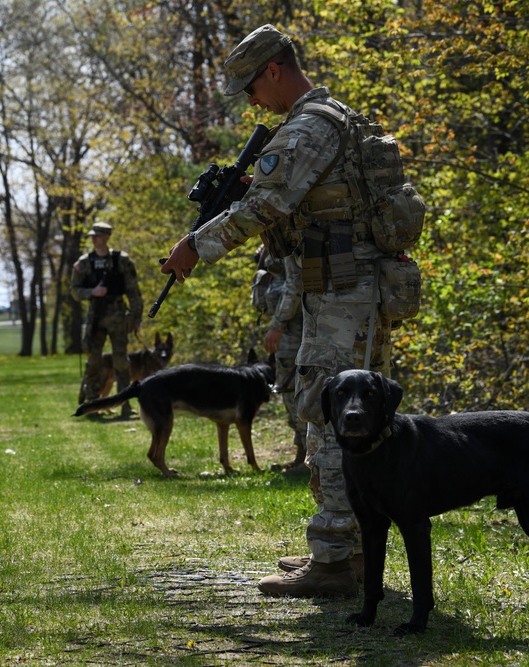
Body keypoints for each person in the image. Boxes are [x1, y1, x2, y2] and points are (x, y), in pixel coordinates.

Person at [160, 24, 397, 598]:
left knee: (340, 418)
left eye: (250, 88)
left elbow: (266, 206)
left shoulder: (311, 125)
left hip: (344, 292)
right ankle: (348, 548)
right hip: (338, 289)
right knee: (333, 414)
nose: (250, 102)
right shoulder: (328, 120)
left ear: (274, 70)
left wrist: (196, 246)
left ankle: (336, 561)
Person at [72, 222, 144, 413]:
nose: (94, 239)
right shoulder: (84, 263)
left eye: (97, 235)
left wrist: (136, 317)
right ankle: (93, 403)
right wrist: (92, 292)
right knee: (94, 360)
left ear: (106, 237)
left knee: (121, 361)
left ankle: (124, 403)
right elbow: (75, 291)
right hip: (96, 316)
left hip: (118, 316)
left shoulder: (122, 261)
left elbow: (133, 292)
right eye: (92, 236)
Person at [252, 247, 307, 473]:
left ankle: (307, 459)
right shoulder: (273, 244)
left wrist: (277, 325)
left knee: (295, 391)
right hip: (288, 329)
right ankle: (301, 454)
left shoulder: (289, 241)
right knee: (289, 390)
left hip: (293, 330)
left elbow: (295, 286)